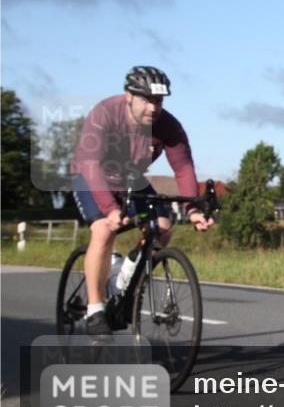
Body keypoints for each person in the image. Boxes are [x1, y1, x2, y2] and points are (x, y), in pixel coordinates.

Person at [71, 66, 213, 335]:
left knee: (162, 226)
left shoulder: (169, 126)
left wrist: (193, 209)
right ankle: (94, 309)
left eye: (158, 101)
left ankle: (125, 276)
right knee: (103, 229)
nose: (153, 107)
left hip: (130, 179)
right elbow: (90, 164)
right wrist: (111, 209)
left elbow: (183, 168)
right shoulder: (105, 113)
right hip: (92, 176)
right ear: (129, 96)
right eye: (146, 99)